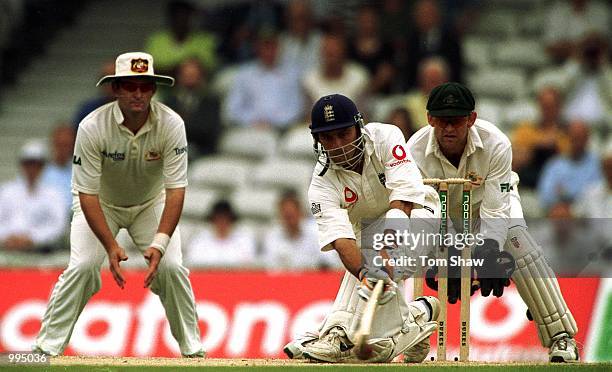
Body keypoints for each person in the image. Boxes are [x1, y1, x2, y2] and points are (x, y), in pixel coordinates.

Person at [33, 52, 205, 358]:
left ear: (153, 89)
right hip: (101, 203)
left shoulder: (172, 124)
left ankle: (193, 351)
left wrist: (161, 243)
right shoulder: (92, 127)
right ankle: (45, 349)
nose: (138, 94)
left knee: (172, 267)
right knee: (83, 267)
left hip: (151, 203)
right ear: (115, 89)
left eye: (145, 86)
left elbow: (176, 190)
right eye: (129, 86)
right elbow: (86, 194)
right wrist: (111, 246)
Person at [407, 82, 579, 362]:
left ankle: (562, 338)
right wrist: (443, 253)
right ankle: (404, 337)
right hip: (443, 219)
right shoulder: (413, 151)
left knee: (520, 245)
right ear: (430, 119)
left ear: (471, 119)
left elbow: (496, 209)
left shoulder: (495, 143)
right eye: (442, 121)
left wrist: (487, 251)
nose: (449, 129)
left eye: (457, 121)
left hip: (492, 209)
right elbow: (423, 210)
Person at [283, 94, 442, 363]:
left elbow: (402, 200)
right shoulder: (321, 184)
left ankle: (336, 333)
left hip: (419, 214)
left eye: (344, 134)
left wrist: (386, 248)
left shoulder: (386, 137)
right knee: (378, 352)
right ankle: (416, 319)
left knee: (375, 247)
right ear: (317, 140)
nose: (339, 146)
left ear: (359, 125)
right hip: (367, 234)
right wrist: (364, 274)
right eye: (328, 138)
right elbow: (342, 241)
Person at [226, 27, 304, 131]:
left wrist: (273, 123)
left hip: (283, 130)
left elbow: (296, 108)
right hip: (249, 128)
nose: (269, 50)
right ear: (257, 47)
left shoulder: (292, 74)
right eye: (265, 46)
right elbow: (232, 109)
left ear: (279, 47)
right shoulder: (244, 74)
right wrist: (253, 121)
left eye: (273, 45)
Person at [0, 140, 67, 253]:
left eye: (36, 164)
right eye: (28, 164)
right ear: (21, 165)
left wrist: (33, 238)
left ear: (43, 166)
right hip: (6, 250)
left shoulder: (53, 194)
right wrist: (8, 237)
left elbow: (58, 225)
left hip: (40, 253)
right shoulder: (6, 191)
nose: (31, 169)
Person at [262, 189, 337, 270]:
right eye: (286, 216)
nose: (289, 221)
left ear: (300, 213)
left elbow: (330, 263)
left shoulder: (316, 233)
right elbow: (268, 268)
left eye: (292, 216)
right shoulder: (272, 237)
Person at [511, 86, 570, 189]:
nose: (547, 110)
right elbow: (514, 161)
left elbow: (570, 162)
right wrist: (536, 147)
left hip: (557, 182)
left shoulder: (567, 134)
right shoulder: (525, 130)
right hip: (527, 180)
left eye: (551, 106)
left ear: (559, 107)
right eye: (544, 106)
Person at [538, 120, 602, 212]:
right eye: (574, 138)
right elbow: (545, 196)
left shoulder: (597, 164)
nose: (577, 142)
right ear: (568, 138)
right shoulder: (554, 165)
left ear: (587, 139)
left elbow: (598, 194)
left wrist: (565, 193)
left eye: (580, 138)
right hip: (558, 214)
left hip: (587, 216)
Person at [163, 58, 221, 157]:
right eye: (186, 75)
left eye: (193, 75)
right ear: (179, 76)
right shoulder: (169, 102)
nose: (189, 78)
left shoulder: (211, 102)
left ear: (201, 77)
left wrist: (180, 123)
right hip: (171, 153)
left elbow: (209, 132)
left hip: (202, 154)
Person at [185, 200, 257, 268]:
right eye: (218, 218)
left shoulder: (243, 242)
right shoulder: (200, 242)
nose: (222, 222)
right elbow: (194, 267)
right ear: (213, 220)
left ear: (231, 220)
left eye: (226, 219)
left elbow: (247, 268)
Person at [41, 124, 76, 213]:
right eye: (59, 144)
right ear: (52, 144)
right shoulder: (40, 171)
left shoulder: (82, 171)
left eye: (66, 145)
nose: (63, 149)